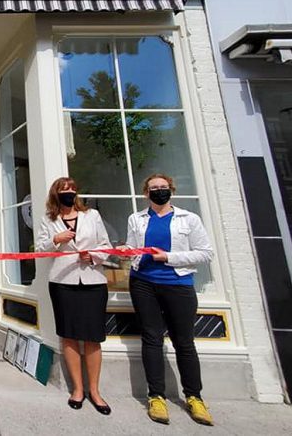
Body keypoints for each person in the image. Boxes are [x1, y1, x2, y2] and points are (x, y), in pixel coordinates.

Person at [123, 173, 214, 426]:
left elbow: (205, 253)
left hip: (178, 284)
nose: (159, 191)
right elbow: (133, 249)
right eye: (154, 188)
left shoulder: (189, 219)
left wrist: (169, 258)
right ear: (146, 193)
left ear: (171, 190)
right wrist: (125, 251)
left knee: (184, 342)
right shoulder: (137, 219)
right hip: (143, 283)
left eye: (163, 187)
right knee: (151, 338)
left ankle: (194, 397)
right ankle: (156, 396)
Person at [37, 177, 113, 415]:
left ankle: (95, 391)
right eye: (63, 190)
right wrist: (55, 241)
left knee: (92, 337)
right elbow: (39, 249)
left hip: (92, 280)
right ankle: (77, 390)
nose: (68, 192)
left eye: (72, 189)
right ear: (55, 194)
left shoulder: (92, 216)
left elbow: (106, 245)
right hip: (63, 282)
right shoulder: (48, 220)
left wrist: (93, 257)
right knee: (69, 336)